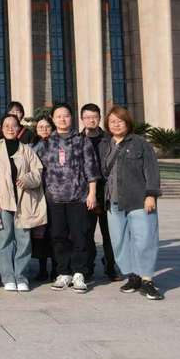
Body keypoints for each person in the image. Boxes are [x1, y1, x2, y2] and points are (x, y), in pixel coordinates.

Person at [99, 106, 164, 300]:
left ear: (127, 123)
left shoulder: (140, 143)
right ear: (107, 125)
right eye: (112, 121)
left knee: (145, 240)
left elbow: (152, 170)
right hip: (113, 202)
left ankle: (147, 280)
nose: (116, 124)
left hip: (138, 200)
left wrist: (151, 194)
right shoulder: (105, 145)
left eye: (120, 121)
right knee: (119, 242)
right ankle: (132, 275)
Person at [36, 103, 100, 294]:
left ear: (72, 118)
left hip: (78, 197)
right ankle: (63, 272)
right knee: (58, 236)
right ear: (53, 119)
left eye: (66, 115)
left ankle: (79, 272)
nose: (62, 119)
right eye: (58, 116)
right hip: (54, 199)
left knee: (80, 235)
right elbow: (34, 166)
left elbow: (91, 168)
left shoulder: (82, 141)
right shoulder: (46, 143)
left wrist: (92, 193)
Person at [0, 114, 47, 292]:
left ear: (19, 128)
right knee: (4, 240)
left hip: (24, 201)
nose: (10, 128)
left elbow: (38, 171)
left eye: (13, 125)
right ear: (1, 128)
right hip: (3, 201)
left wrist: (27, 179)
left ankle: (21, 276)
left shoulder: (26, 150)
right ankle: (7, 277)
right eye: (6, 125)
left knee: (23, 240)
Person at [80, 103, 120, 282]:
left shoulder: (110, 139)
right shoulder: (77, 140)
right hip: (85, 193)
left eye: (94, 117)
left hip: (107, 192)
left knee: (109, 233)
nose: (91, 120)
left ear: (99, 118)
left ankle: (110, 266)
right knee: (87, 233)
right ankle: (88, 267)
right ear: (82, 119)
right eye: (87, 117)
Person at [32, 115, 57, 281]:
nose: (44, 130)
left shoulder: (58, 144)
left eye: (47, 126)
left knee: (55, 232)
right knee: (40, 233)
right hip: (38, 194)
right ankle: (42, 269)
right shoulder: (32, 147)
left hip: (55, 194)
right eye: (40, 127)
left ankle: (56, 268)